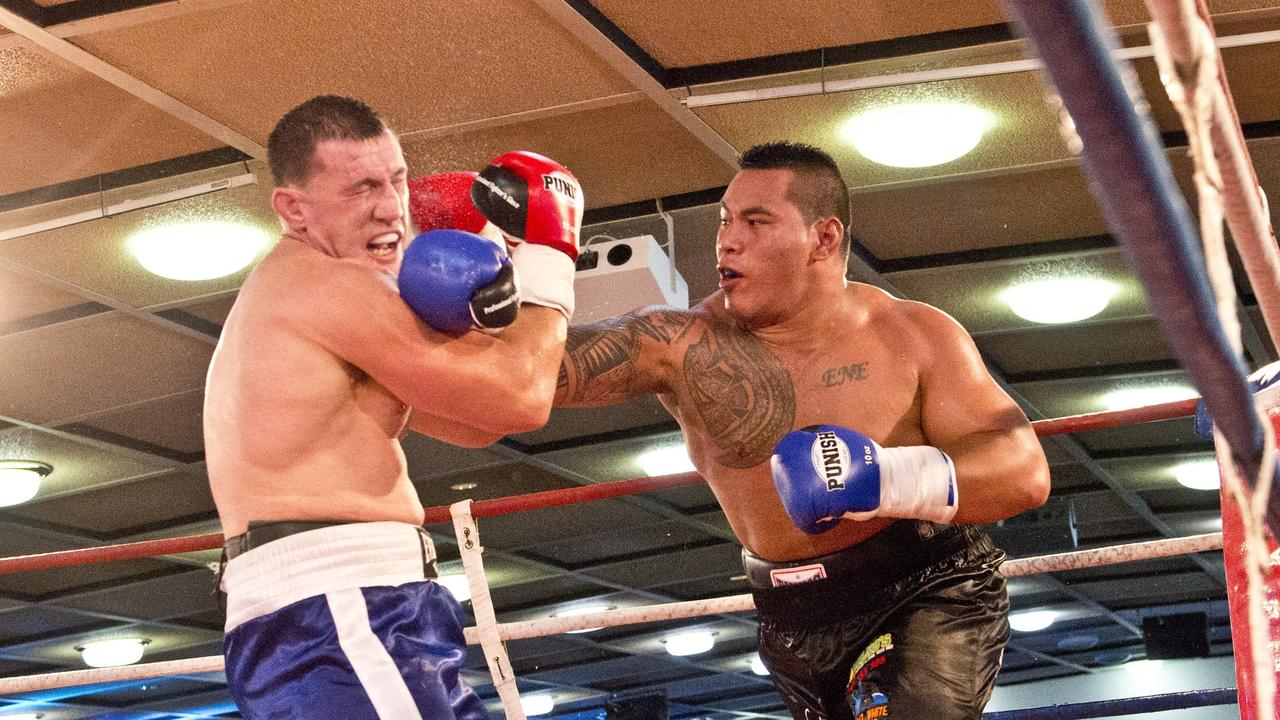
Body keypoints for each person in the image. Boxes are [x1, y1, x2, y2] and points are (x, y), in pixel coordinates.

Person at [554, 142, 1050, 720]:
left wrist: (881, 478)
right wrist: (511, 275)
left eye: (756, 222)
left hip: (924, 588)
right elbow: (538, 375)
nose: (727, 240)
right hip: (789, 616)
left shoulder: (911, 333)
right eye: (725, 220)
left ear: (824, 237)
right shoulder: (679, 345)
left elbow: (1024, 474)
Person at [203, 95, 581, 720]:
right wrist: (549, 258)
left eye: (397, 179)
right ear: (292, 208)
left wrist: (476, 304)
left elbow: (473, 424)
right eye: (360, 189)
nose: (390, 206)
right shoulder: (328, 287)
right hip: (340, 606)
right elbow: (520, 400)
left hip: (328, 607)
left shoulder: (313, 289)